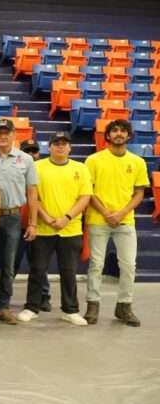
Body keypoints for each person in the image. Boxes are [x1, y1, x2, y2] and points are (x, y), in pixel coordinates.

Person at [17, 132, 92, 325]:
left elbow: (85, 197)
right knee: (37, 269)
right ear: (49, 147)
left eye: (64, 143)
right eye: (56, 143)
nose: (60, 146)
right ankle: (31, 307)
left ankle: (70, 310)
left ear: (70, 148)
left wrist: (67, 218)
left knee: (69, 272)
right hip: (44, 228)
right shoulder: (37, 167)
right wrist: (47, 218)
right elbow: (33, 196)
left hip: (71, 229)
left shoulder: (81, 168)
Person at [84, 119, 149, 327]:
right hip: (98, 220)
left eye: (123, 131)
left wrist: (121, 213)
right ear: (108, 135)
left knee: (129, 265)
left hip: (125, 221)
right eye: (114, 130)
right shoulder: (93, 160)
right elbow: (88, 191)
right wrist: (105, 212)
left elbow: (139, 193)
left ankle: (124, 306)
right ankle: (92, 305)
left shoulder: (138, 162)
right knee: (96, 265)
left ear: (129, 136)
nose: (119, 134)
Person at [0, 119, 38, 325]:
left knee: (9, 264)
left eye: (7, 132)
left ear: (14, 135)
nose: (3, 136)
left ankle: (3, 306)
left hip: (13, 216)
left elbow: (32, 192)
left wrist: (32, 223)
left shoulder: (26, 159)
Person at [14, 139, 51, 311]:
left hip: (38, 225)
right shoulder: (15, 170)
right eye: (27, 151)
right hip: (17, 224)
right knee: (11, 264)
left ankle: (43, 296)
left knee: (39, 265)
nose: (31, 155)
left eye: (34, 151)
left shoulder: (44, 172)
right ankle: (2, 296)